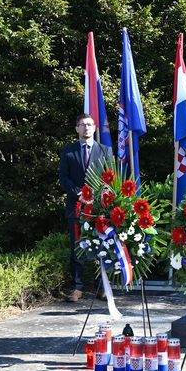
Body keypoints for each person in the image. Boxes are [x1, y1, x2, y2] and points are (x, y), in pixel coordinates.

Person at [59, 114, 113, 302]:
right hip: (76, 205)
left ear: (95, 128)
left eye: (89, 124)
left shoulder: (105, 151)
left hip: (99, 208)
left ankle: (103, 286)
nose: (86, 128)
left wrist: (96, 197)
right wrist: (79, 194)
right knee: (77, 247)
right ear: (77, 129)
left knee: (102, 246)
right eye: (82, 125)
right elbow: (64, 178)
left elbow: (109, 177)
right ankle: (78, 287)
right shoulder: (68, 151)